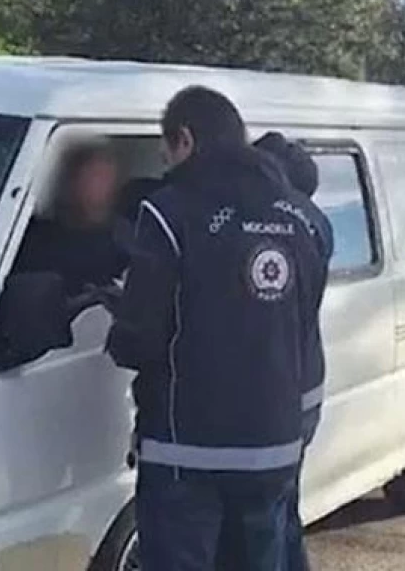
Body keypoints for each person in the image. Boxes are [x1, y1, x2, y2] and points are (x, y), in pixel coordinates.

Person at [106, 86, 327, 570]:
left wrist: (115, 320)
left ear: (185, 138)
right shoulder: (308, 221)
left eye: (167, 152)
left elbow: (140, 339)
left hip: (186, 452)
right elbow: (302, 332)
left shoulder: (168, 214)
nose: (166, 163)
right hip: (274, 451)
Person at [213, 132, 332, 571]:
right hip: (302, 392)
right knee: (283, 514)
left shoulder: (269, 232)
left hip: (275, 402)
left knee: (260, 526)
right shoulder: (313, 225)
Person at [14, 140, 127, 297]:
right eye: (94, 176)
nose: (102, 186)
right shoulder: (32, 238)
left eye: (106, 177)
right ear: (72, 180)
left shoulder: (126, 239)